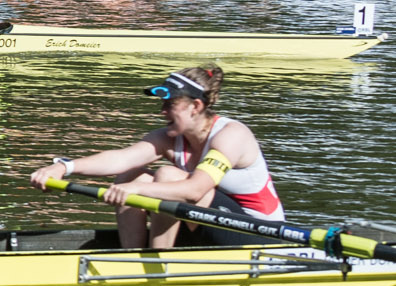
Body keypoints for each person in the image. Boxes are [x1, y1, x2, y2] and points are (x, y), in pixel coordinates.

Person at [27, 65, 282, 250]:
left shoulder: (231, 135)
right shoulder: (170, 136)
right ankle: (134, 258)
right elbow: (120, 159)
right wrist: (64, 167)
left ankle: (158, 263)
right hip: (204, 226)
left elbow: (195, 190)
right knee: (131, 174)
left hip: (258, 236)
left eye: (170, 104)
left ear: (196, 106)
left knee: (167, 175)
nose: (162, 112)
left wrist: (136, 190)